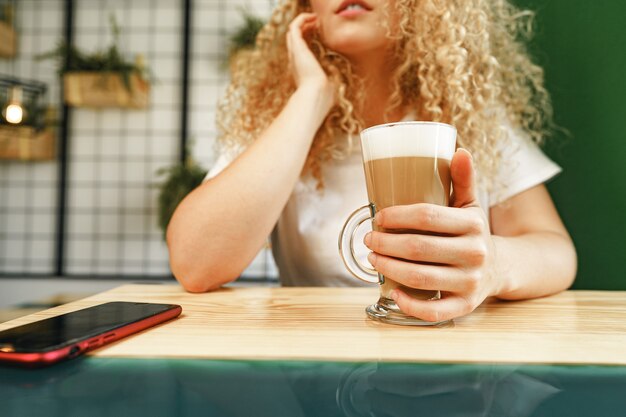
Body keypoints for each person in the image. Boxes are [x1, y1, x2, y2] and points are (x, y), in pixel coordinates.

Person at [167, 0, 577, 322]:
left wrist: (494, 266)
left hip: (452, 360)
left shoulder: (472, 117)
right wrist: (312, 96)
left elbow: (556, 252)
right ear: (307, 10)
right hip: (319, 370)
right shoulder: (280, 123)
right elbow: (195, 263)